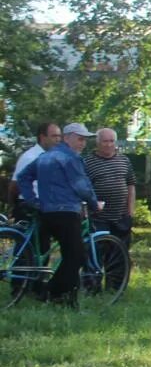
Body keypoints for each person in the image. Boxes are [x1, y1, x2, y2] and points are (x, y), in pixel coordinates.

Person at [14, 122, 101, 303]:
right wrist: (94, 204)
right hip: (67, 212)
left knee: (56, 253)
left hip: (46, 212)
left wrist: (32, 200)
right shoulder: (70, 158)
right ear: (67, 138)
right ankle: (52, 292)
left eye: (85, 140)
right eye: (80, 139)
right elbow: (81, 186)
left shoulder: (46, 157)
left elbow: (23, 177)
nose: (83, 143)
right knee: (75, 255)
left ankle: (65, 297)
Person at [85, 128, 137, 249]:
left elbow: (131, 185)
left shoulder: (124, 160)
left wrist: (130, 212)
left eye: (112, 141)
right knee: (98, 252)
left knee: (120, 254)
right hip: (99, 218)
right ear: (97, 143)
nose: (109, 144)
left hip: (121, 217)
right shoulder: (87, 162)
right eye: (105, 141)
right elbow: (84, 189)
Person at [8, 121, 60, 211]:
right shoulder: (30, 157)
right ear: (42, 137)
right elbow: (14, 187)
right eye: (54, 136)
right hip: (29, 209)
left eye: (59, 136)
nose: (58, 140)